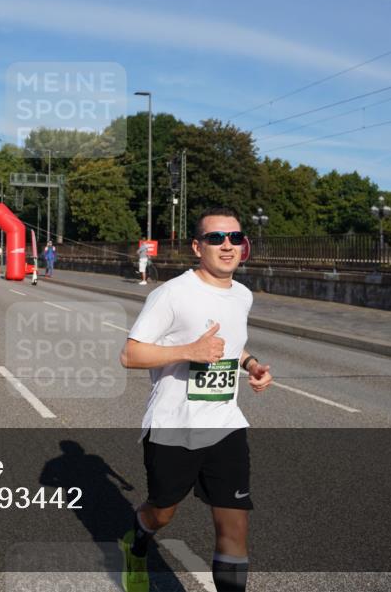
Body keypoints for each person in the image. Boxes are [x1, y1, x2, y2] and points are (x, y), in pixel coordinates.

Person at [118, 207, 273, 592]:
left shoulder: (242, 295)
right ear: (197, 247)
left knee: (235, 525)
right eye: (216, 238)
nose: (227, 245)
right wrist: (190, 351)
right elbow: (130, 355)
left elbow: (231, 345)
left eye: (235, 237)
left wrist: (251, 364)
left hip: (225, 424)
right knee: (162, 512)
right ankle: (136, 541)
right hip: (174, 426)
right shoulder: (172, 294)